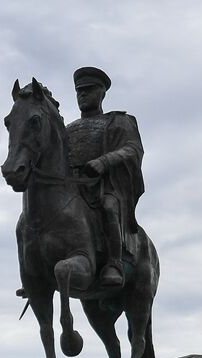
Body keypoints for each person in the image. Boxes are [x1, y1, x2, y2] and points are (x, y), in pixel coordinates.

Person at [66, 66, 145, 289]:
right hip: (72, 187)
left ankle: (114, 263)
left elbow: (133, 148)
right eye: (79, 91)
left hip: (103, 185)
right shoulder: (67, 129)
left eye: (89, 90)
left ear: (102, 93)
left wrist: (104, 161)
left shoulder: (118, 121)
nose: (83, 94)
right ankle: (36, 273)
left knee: (109, 206)